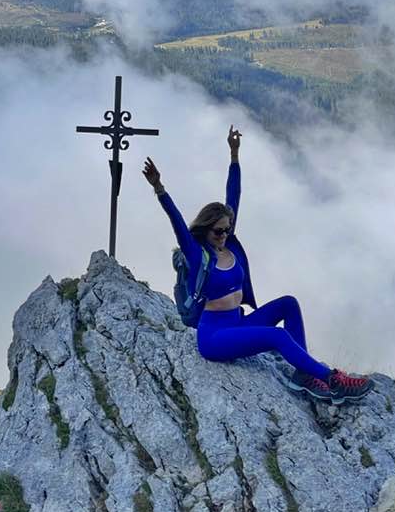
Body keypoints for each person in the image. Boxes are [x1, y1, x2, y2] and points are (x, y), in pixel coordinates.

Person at [142, 125, 373, 405]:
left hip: (237, 323)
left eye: (227, 229)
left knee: (289, 303)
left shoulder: (228, 243)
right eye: (218, 231)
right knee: (276, 336)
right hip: (214, 338)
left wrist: (234, 154)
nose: (224, 234)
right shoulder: (198, 254)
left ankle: (304, 376)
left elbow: (233, 195)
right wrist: (159, 188)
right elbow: (177, 223)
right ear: (205, 230)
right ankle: (333, 381)